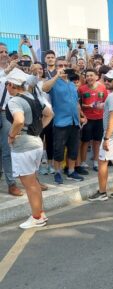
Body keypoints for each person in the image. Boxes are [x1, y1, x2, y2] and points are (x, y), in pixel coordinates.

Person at [5, 68, 53, 229]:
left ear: (11, 84)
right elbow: (49, 114)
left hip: (23, 146)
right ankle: (39, 213)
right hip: (36, 142)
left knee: (30, 184)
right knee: (34, 182)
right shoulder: (33, 97)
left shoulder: (14, 101)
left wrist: (11, 136)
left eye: (7, 84)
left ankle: (37, 217)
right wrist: (38, 130)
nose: (6, 87)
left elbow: (18, 121)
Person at [42, 57, 85, 184]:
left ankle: (71, 171)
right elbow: (44, 88)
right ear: (56, 67)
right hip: (61, 122)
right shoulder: (53, 82)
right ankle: (58, 172)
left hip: (74, 122)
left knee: (73, 148)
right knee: (58, 149)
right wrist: (56, 76)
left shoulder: (72, 83)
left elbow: (76, 103)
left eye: (65, 65)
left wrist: (80, 119)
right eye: (60, 65)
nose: (63, 67)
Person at [88, 70, 113, 202]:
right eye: (105, 79)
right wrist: (99, 106)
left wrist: (106, 138)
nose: (106, 82)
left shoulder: (112, 96)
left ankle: (102, 192)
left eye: (110, 80)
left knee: (102, 162)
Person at [0, 42, 23, 196]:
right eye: (0, 51)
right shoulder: (6, 72)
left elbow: (26, 85)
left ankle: (11, 183)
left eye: (5, 51)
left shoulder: (14, 71)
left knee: (8, 149)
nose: (4, 54)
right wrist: (5, 72)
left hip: (7, 113)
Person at [78, 68, 107, 171]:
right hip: (87, 119)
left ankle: (95, 162)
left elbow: (106, 103)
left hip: (99, 119)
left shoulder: (103, 88)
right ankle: (83, 162)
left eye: (91, 75)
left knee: (97, 141)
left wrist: (101, 106)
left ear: (96, 77)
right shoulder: (81, 89)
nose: (89, 77)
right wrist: (88, 105)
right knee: (85, 141)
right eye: (87, 76)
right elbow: (79, 105)